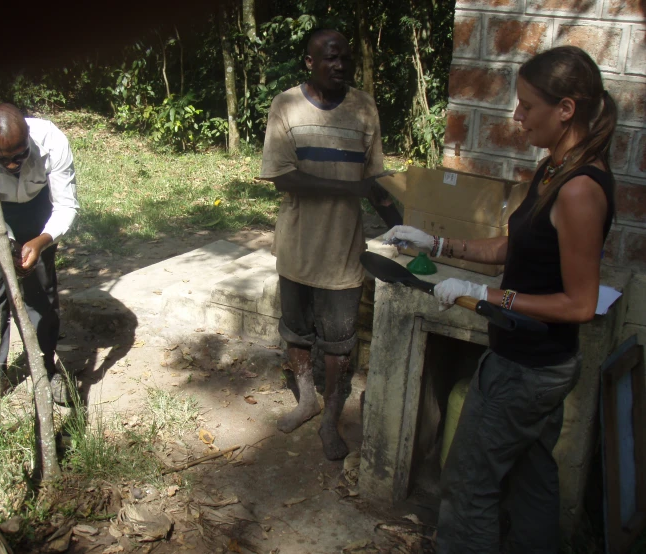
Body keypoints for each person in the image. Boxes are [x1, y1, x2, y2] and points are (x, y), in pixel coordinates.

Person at [385, 46, 616, 552]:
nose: (517, 117)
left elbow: (579, 304)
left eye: (527, 106)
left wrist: (484, 293)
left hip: (528, 370)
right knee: (534, 480)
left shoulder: (580, 190)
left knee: (468, 486)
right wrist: (441, 245)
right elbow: (519, 245)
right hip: (531, 363)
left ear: (566, 109)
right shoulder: (555, 170)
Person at [260, 29, 402, 461]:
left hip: (344, 249)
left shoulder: (364, 107)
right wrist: (351, 190)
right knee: (297, 331)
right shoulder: (285, 105)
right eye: (329, 58)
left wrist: (404, 228)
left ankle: (330, 419)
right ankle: (306, 400)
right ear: (309, 62)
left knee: (340, 341)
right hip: (298, 244)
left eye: (345, 59)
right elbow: (282, 176)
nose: (339, 65)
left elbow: (373, 180)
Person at [0, 103, 79, 405]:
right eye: (4, 160)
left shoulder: (51, 139)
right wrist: (6, 246)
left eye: (21, 155)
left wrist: (41, 241)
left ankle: (46, 369)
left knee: (42, 290)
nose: (13, 165)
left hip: (39, 209)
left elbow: (66, 205)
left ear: (29, 140)